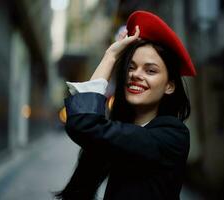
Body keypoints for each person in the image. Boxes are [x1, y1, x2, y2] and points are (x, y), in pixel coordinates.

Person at [55, 10, 196, 200]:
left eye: (150, 70)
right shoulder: (123, 127)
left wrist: (110, 56)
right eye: (131, 67)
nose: (135, 74)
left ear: (169, 86)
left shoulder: (171, 135)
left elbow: (84, 122)